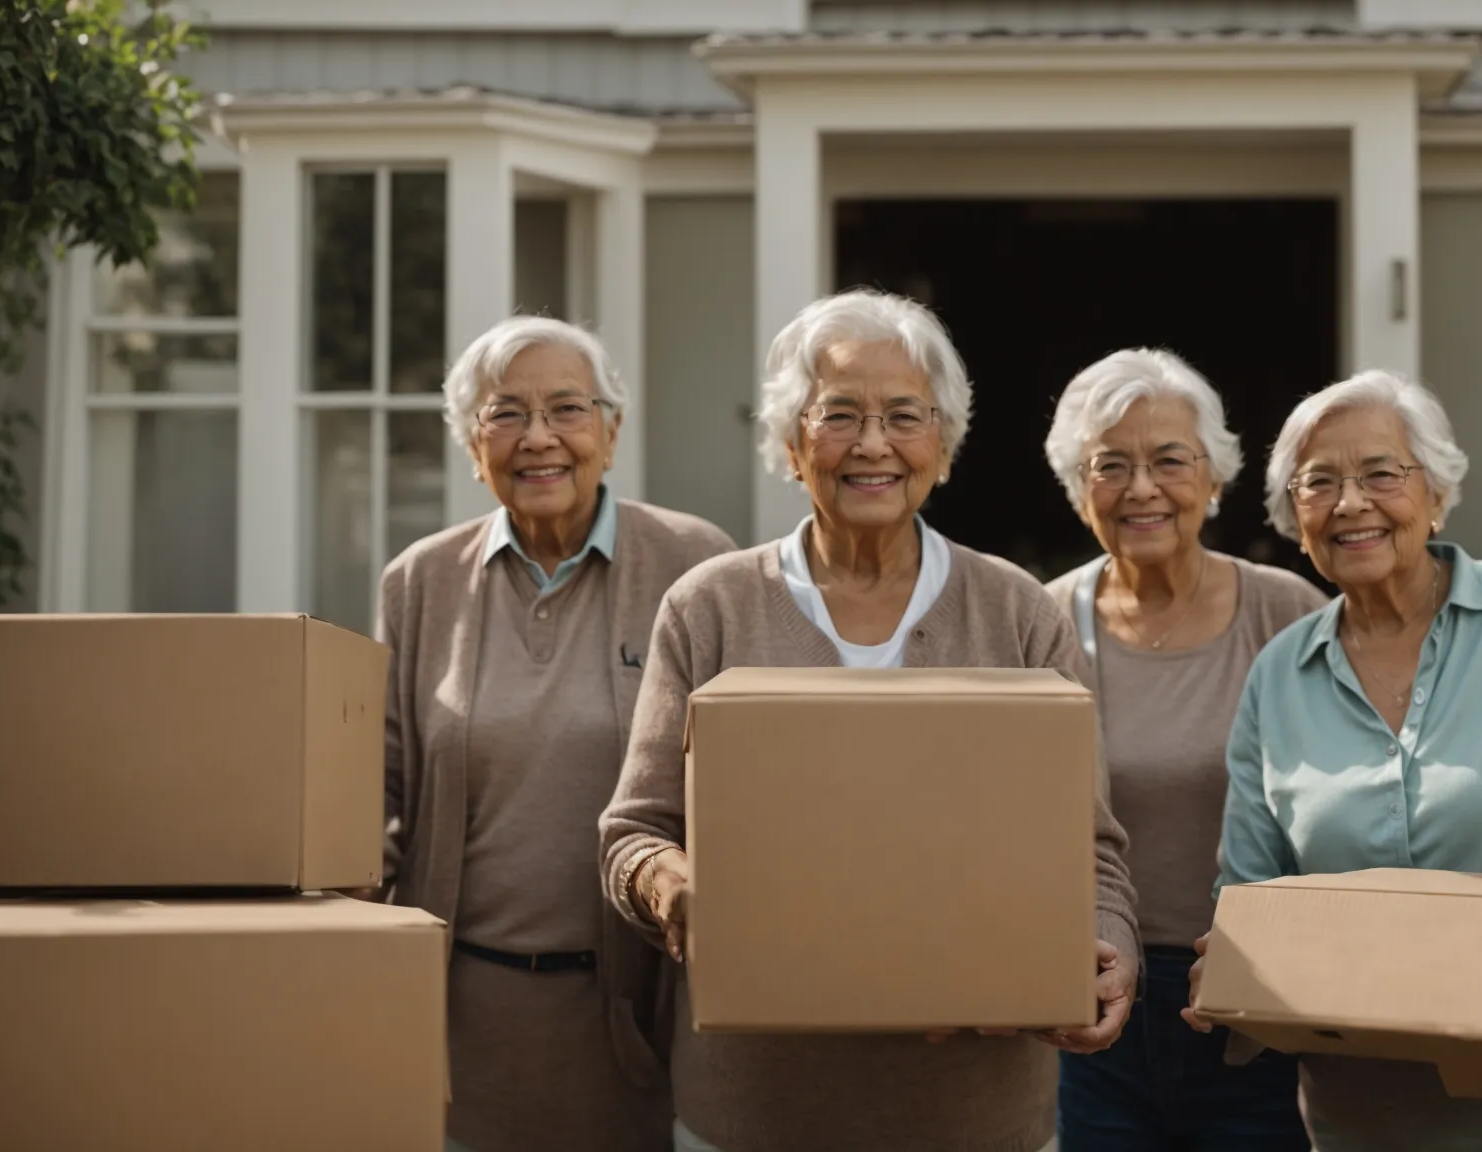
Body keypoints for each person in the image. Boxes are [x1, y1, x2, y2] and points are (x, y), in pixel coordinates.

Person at [598, 289, 1141, 1152]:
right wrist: (673, 887)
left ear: (945, 446)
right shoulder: (711, 607)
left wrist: (1110, 945)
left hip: (976, 1113)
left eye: (903, 416)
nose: (873, 444)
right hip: (758, 1111)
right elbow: (633, 833)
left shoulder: (1017, 612)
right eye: (839, 415)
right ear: (791, 442)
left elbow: (1092, 846)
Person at [1187, 370, 1482, 1152]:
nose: (1351, 504)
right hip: (1368, 1110)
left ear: (1437, 493)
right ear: (1294, 519)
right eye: (1320, 484)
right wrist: (1233, 966)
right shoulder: (1278, 676)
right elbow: (1249, 890)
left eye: (1382, 473)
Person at [377, 316, 736, 1152]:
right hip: (461, 1024)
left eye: (567, 410)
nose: (538, 438)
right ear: (475, 444)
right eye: (506, 414)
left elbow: (746, 787)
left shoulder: (695, 562)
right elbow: (379, 790)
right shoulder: (420, 581)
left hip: (640, 1017)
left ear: (611, 431)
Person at [1041, 348, 1324, 1151]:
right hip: (1091, 993)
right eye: (1111, 466)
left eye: (1169, 460)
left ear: (1214, 478)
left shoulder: (1289, 614)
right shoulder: (1043, 621)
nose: (1141, 489)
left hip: (1256, 999)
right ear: (1077, 486)